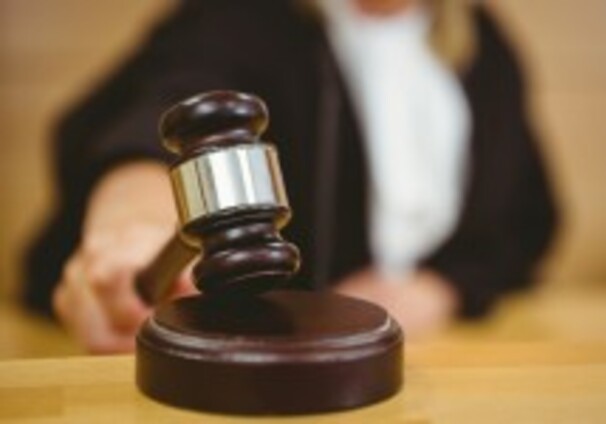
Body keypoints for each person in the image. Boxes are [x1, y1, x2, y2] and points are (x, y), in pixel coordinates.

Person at [24, 0, 558, 352]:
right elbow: (163, 106)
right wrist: (133, 224)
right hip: (271, 370)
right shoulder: (246, 17)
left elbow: (523, 218)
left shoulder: (485, 47)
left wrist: (443, 288)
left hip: (436, 361)